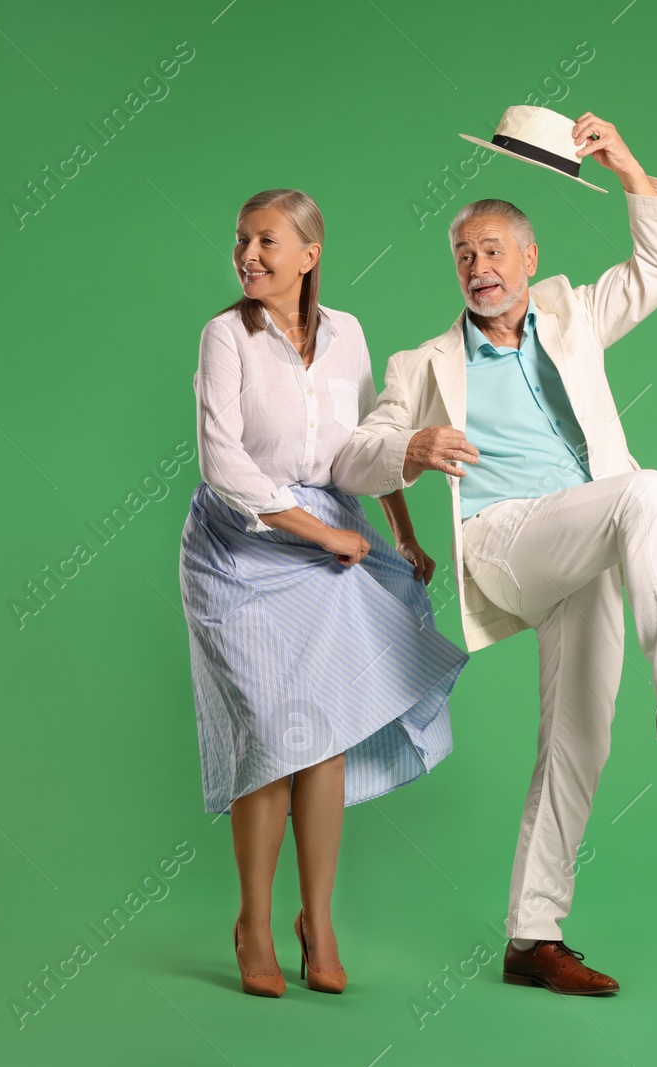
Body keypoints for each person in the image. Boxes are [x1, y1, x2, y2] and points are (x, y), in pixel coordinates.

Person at [331, 112, 657, 995]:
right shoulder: (422, 364)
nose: (480, 268)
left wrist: (627, 163)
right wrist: (412, 446)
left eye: (496, 251)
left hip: (585, 531)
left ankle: (530, 939)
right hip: (506, 540)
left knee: (577, 738)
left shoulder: (571, 315)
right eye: (465, 254)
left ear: (530, 261)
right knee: (649, 488)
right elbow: (349, 457)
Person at [178, 188, 468, 998]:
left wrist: (399, 528)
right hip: (239, 551)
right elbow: (222, 463)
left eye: (266, 241)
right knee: (271, 732)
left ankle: (319, 920)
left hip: (330, 538)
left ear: (310, 253)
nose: (248, 256)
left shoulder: (348, 338)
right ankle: (254, 925)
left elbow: (363, 449)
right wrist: (322, 533)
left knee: (326, 729)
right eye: (240, 241)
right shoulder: (223, 337)